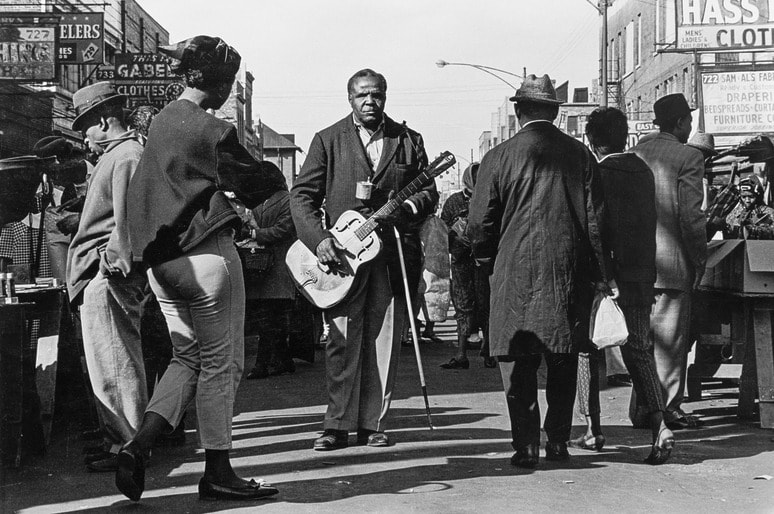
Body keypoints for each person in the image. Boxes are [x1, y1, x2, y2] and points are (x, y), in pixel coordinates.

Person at [122, 35, 281, 502]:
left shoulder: (161, 121)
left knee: (186, 356)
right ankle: (218, 471)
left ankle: (138, 444)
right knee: (221, 363)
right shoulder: (210, 130)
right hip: (207, 256)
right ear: (223, 84)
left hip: (161, 264)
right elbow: (258, 182)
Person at [467, 74, 610, 468]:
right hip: (567, 272)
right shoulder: (580, 155)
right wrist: (602, 273)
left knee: (518, 364)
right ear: (556, 112)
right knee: (563, 358)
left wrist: (484, 258)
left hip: (513, 272)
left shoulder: (497, 157)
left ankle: (526, 444)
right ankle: (558, 441)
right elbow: (596, 223)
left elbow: (478, 224)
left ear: (517, 112)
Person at [290, 68, 437, 451]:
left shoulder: (408, 139)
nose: (370, 102)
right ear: (350, 98)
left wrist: (406, 205)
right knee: (341, 339)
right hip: (342, 260)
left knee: (384, 340)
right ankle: (335, 425)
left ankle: (374, 424)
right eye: (362, 96)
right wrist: (320, 240)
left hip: (391, 257)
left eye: (377, 95)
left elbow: (429, 192)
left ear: (386, 96)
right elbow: (302, 196)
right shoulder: (327, 140)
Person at [574, 106, 675, 464]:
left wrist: (602, 276)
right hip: (641, 275)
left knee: (588, 349)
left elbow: (597, 229)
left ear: (591, 140)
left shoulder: (597, 174)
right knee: (639, 350)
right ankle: (660, 422)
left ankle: (592, 428)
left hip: (604, 278)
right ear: (624, 134)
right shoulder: (643, 171)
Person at [65, 82, 149, 473]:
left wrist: (106, 263)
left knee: (116, 363)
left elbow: (128, 220)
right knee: (108, 364)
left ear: (103, 120)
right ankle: (122, 440)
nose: (84, 137)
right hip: (102, 274)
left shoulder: (126, 155)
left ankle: (129, 446)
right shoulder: (120, 155)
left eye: (85, 127)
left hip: (108, 277)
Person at [630, 93, 707, 431]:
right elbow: (691, 216)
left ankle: (643, 408)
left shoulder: (637, 152)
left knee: (641, 342)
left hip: (636, 264)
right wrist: (699, 258)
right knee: (671, 344)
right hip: (672, 262)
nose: (690, 127)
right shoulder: (688, 156)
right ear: (679, 123)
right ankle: (669, 409)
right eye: (688, 121)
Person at [241, 163, 298, 379]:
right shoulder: (260, 202)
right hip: (265, 267)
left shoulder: (287, 199)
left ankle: (262, 364)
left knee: (270, 317)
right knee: (271, 317)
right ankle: (283, 360)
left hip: (279, 265)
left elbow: (284, 229)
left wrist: (255, 234)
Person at [439, 162, 495, 369]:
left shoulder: (490, 198)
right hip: (461, 261)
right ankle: (461, 353)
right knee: (463, 305)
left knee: (486, 304)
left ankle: (488, 350)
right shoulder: (454, 201)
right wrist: (456, 232)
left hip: (484, 262)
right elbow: (443, 228)